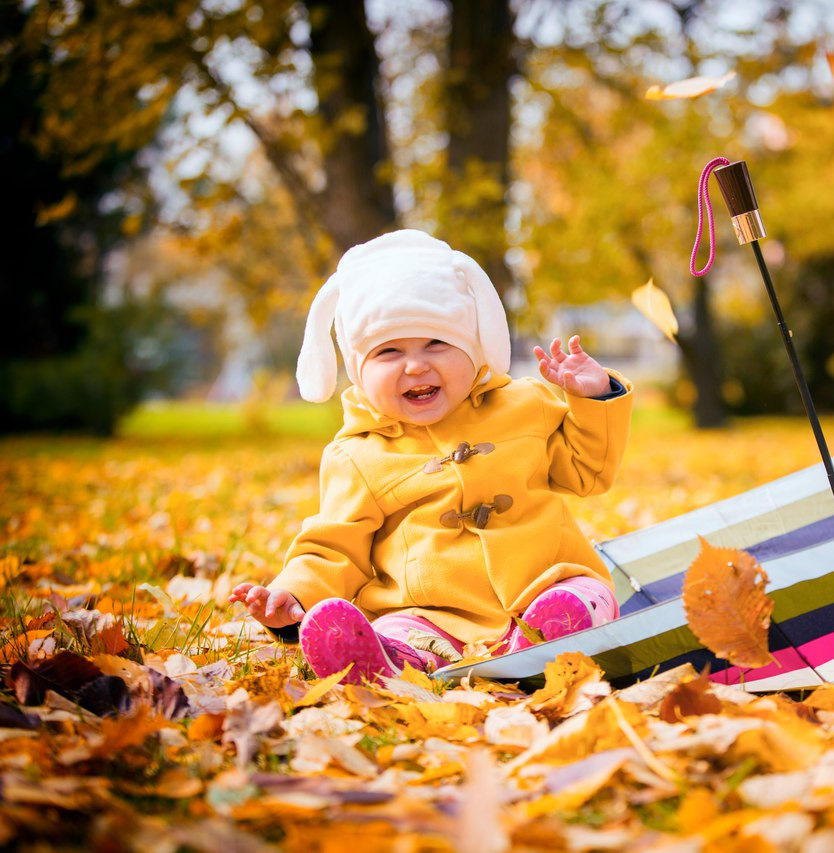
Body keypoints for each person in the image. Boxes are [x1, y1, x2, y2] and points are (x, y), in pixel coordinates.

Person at [229, 229, 631, 684]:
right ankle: (389, 661)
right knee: (401, 630)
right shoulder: (358, 454)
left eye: (436, 343)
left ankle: (544, 638)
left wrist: (595, 398)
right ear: (359, 372)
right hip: (432, 614)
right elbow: (333, 547)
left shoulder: (525, 405)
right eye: (388, 351)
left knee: (584, 597)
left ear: (473, 347)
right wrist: (294, 593)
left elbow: (587, 472)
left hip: (545, 584)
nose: (416, 365)